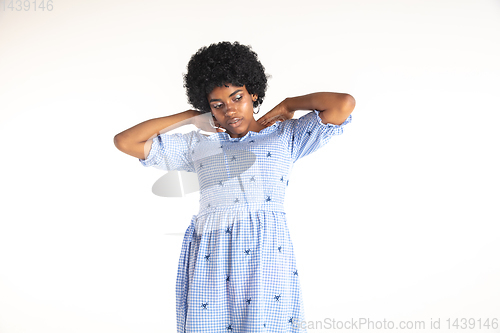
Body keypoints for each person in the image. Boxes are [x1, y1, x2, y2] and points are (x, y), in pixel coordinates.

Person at [114, 41, 355, 333]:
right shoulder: (199, 144)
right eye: (217, 104)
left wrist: (290, 104)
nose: (230, 110)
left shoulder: (285, 136)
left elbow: (342, 104)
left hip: (266, 255)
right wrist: (190, 117)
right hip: (211, 256)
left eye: (237, 97)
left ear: (253, 93)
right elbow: (125, 142)